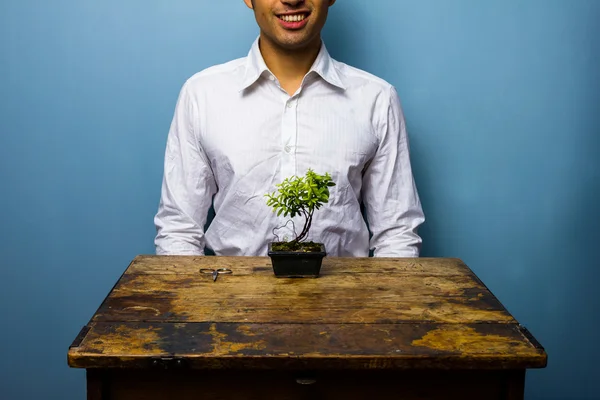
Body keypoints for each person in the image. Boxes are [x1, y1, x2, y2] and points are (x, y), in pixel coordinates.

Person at [154, 0, 425, 257]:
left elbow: (396, 235)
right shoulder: (202, 95)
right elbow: (179, 231)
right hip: (231, 300)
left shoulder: (376, 99)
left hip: (344, 300)